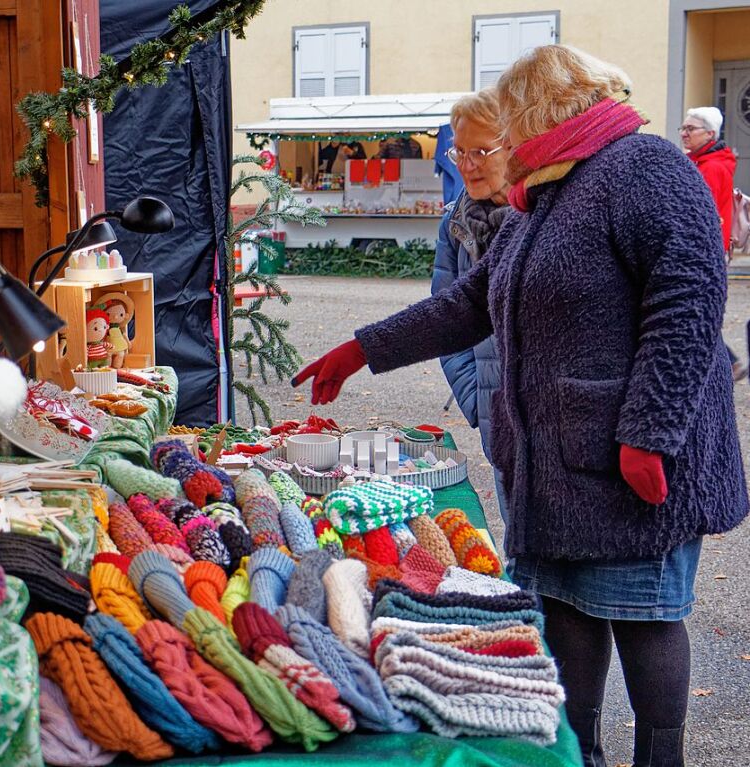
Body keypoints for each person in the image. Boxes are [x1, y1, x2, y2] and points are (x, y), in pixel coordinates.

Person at [292, 45, 748, 767]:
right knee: (562, 608)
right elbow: (472, 300)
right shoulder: (545, 191)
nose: (501, 143)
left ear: (542, 109)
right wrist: (363, 347)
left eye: (509, 123)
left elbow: (689, 303)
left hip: (628, 464)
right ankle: (580, 754)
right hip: (559, 468)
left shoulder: (644, 167)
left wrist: (648, 435)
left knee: (644, 616)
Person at [432, 88, 510, 523]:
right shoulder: (456, 222)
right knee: (521, 553)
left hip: (557, 424)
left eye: (481, 150)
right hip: (497, 412)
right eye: (459, 151)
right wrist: (477, 400)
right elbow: (446, 317)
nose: (467, 164)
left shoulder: (543, 211)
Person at [680, 106, 745, 380]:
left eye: (690, 129)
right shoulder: (702, 162)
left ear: (709, 134)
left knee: (694, 310)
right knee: (695, 309)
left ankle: (728, 363)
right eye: (682, 128)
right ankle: (726, 362)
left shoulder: (712, 167)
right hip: (705, 250)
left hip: (702, 252)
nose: (684, 133)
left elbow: (696, 212)